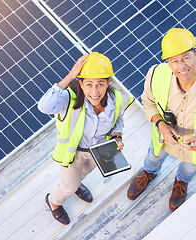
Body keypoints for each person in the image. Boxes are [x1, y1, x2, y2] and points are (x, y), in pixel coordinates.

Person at [127, 28, 196, 211]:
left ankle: (181, 183)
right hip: (164, 138)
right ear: (168, 63)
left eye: (186, 57)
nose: (182, 66)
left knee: (189, 170)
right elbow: (148, 103)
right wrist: (160, 124)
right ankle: (149, 172)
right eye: (175, 61)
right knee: (153, 158)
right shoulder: (155, 74)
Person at [38, 52, 134, 225]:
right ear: (80, 83)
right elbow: (44, 107)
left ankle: (75, 183)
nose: (94, 92)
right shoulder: (69, 101)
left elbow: (118, 119)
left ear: (108, 83)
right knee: (69, 186)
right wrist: (70, 76)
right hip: (72, 154)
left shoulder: (117, 100)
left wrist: (117, 135)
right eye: (88, 84)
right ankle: (54, 201)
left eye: (100, 84)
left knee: (83, 173)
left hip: (97, 151)